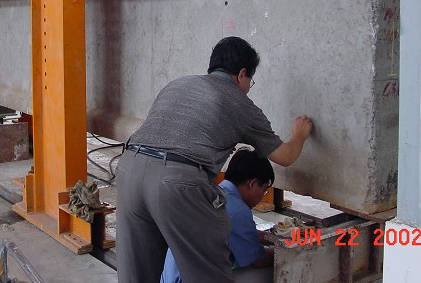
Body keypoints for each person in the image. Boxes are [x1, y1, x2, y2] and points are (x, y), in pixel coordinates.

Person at [115, 36, 313, 283]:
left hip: (129, 170)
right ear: (242, 74)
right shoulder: (240, 103)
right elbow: (285, 156)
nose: (248, 87)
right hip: (177, 182)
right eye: (250, 81)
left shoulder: (177, 84)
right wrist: (299, 135)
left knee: (138, 273)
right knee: (207, 273)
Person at [161, 150, 275, 283]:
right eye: (264, 190)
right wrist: (286, 252)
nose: (262, 196)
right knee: (269, 272)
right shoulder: (238, 210)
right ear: (253, 184)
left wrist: (277, 239)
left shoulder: (214, 192)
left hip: (172, 277)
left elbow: (239, 232)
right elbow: (258, 260)